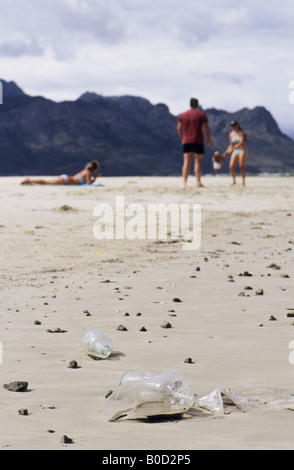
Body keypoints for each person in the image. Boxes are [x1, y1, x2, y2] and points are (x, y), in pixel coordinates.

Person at [177, 97, 214, 188]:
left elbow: (179, 128)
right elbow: (206, 127)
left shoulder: (183, 115)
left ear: (190, 104)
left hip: (186, 141)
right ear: (197, 104)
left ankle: (184, 183)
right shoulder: (201, 114)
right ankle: (198, 182)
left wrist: (183, 138)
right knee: (197, 162)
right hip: (198, 140)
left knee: (186, 162)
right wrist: (208, 137)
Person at [21, 160, 101, 185]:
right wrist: (96, 178)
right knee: (46, 182)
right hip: (65, 180)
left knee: (47, 182)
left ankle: (30, 181)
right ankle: (29, 180)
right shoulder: (88, 173)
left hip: (66, 179)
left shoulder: (85, 171)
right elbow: (89, 182)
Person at [223, 121, 247, 186]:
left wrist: (233, 148)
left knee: (241, 166)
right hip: (235, 151)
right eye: (232, 126)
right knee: (231, 166)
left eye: (234, 126)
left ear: (237, 125)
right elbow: (231, 145)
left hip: (242, 150)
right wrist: (227, 152)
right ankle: (234, 181)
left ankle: (243, 182)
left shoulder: (241, 132)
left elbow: (241, 142)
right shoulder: (231, 134)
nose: (233, 127)